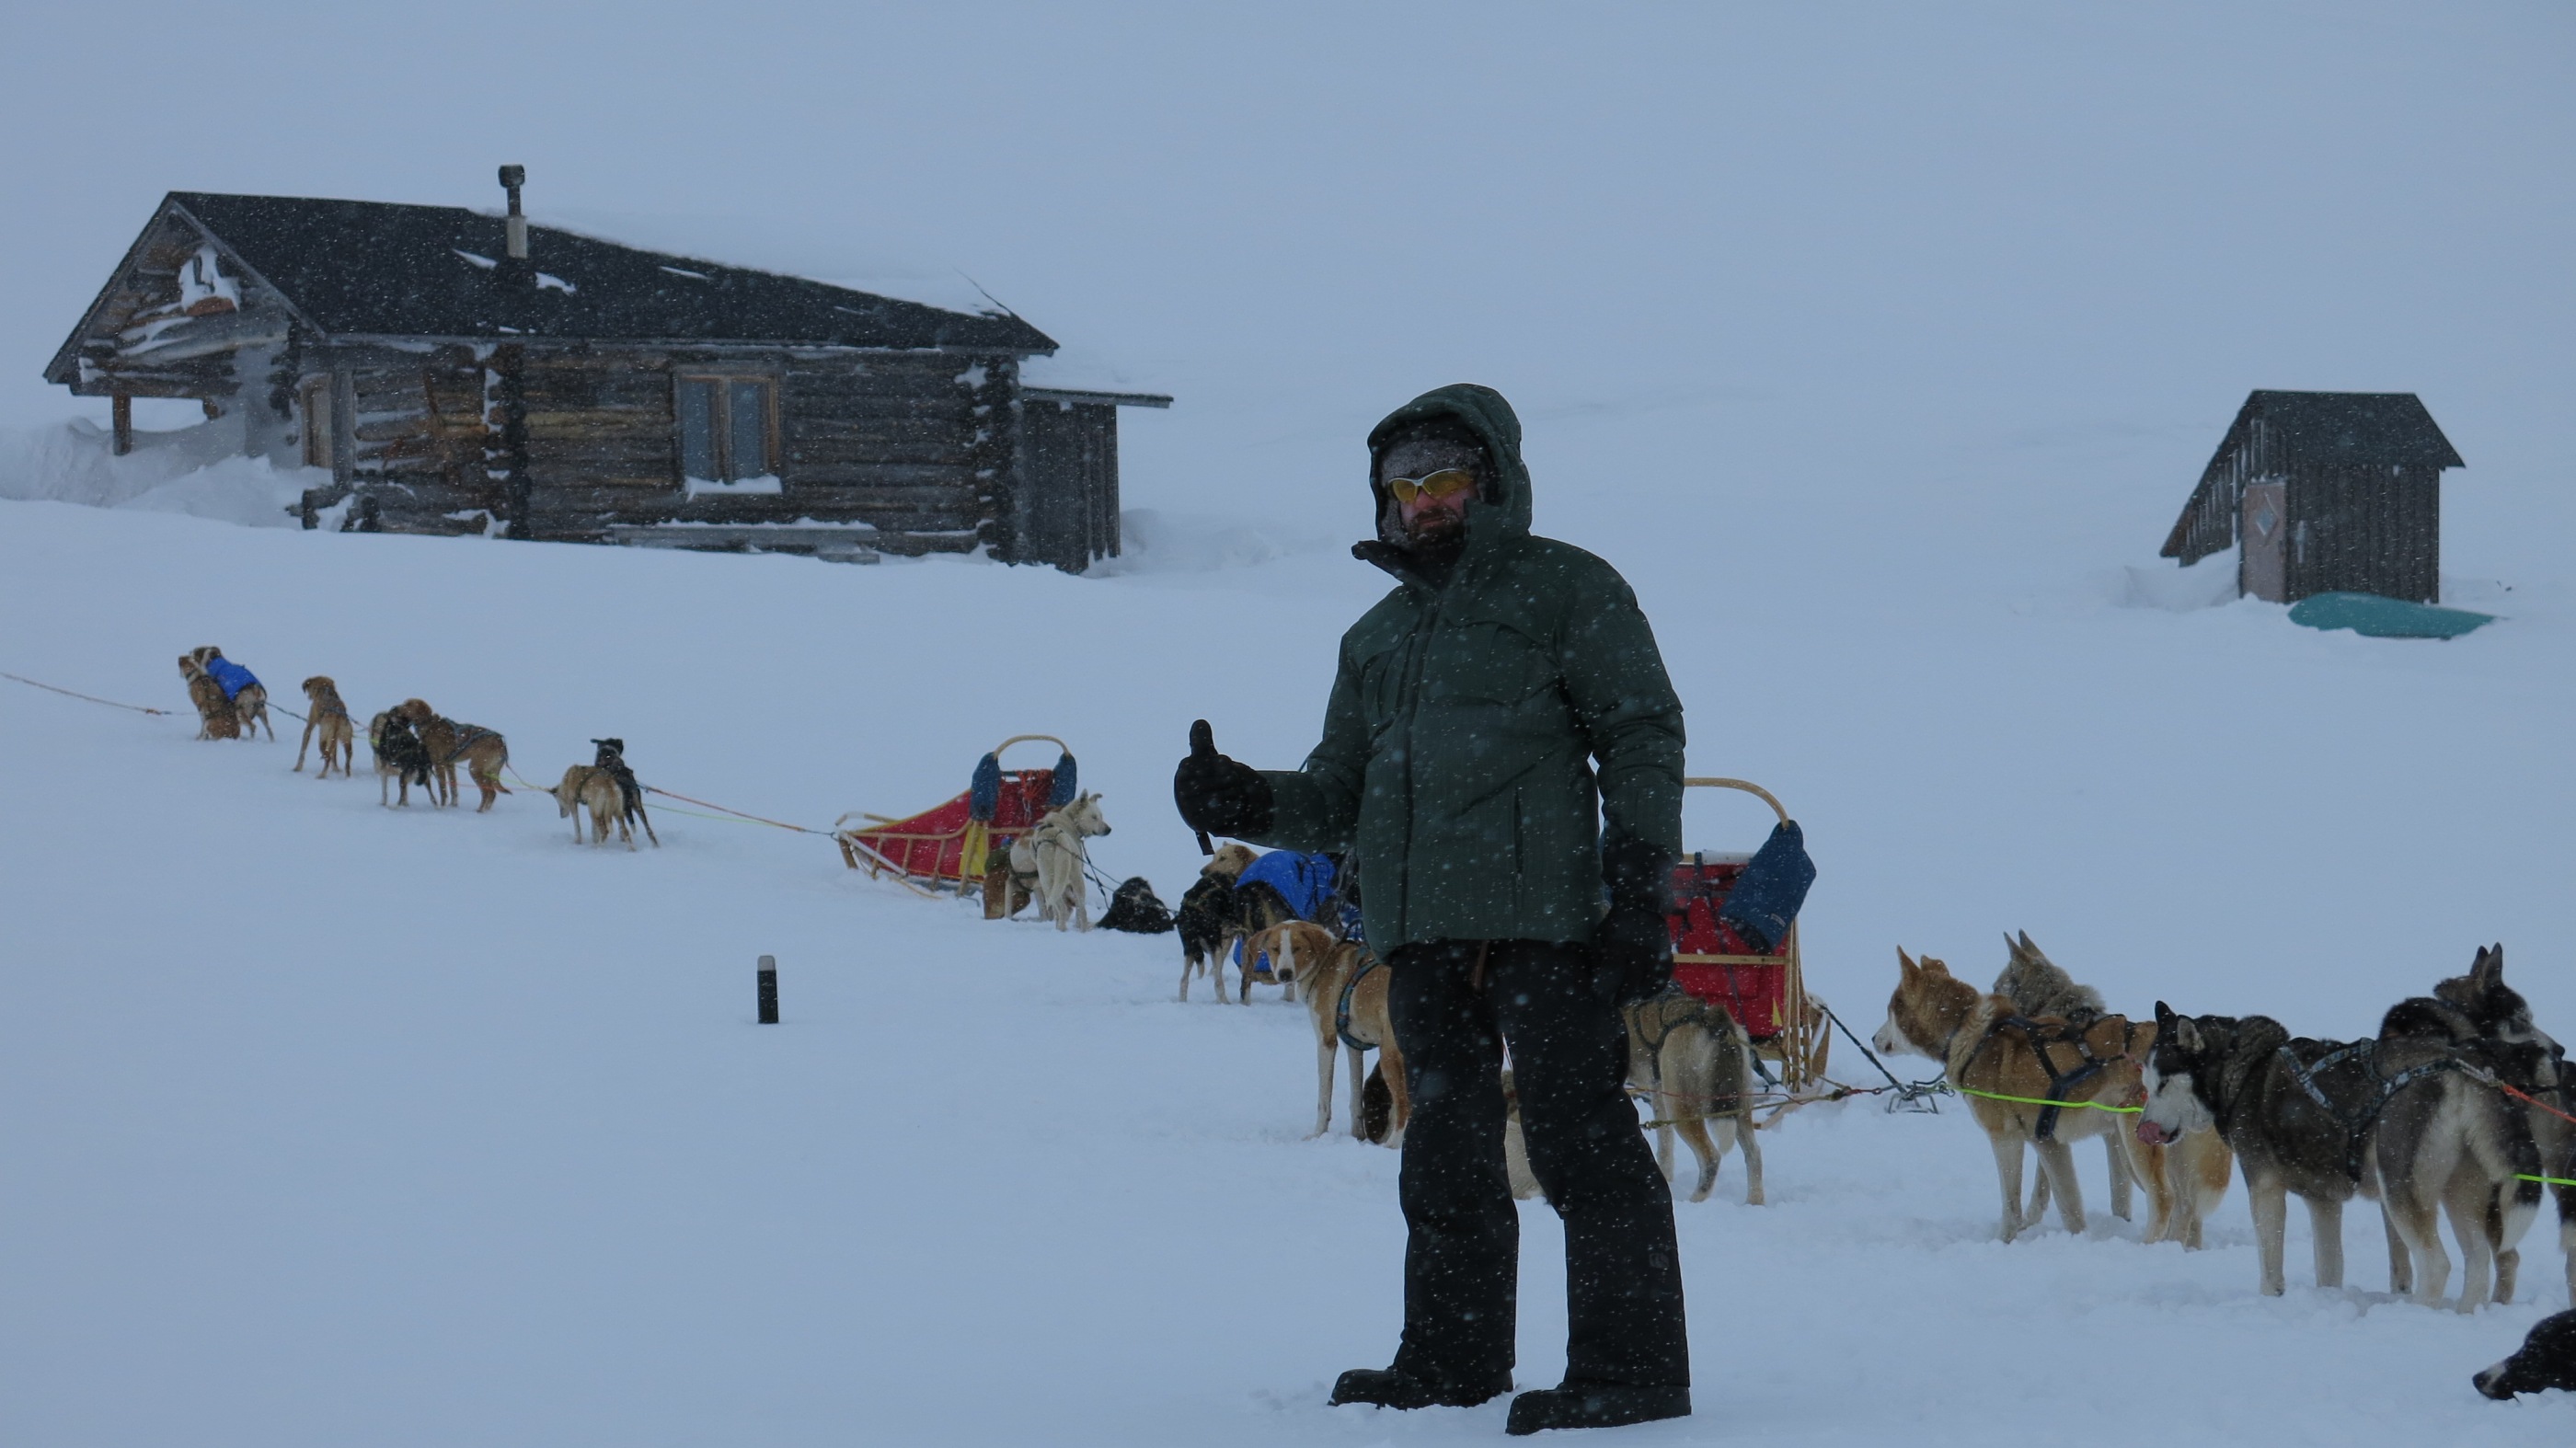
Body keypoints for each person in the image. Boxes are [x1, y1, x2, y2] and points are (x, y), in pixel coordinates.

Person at [1173, 384, 1690, 1434]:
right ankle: (1451, 1360)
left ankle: (1632, 1369)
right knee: (1442, 1144)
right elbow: (1335, 790)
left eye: (1443, 476)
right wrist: (1247, 798)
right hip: (1421, 935)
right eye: (1403, 484)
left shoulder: (1568, 589)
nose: (1423, 499)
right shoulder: (1374, 639)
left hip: (1550, 922)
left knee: (1577, 1136)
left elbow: (1641, 731)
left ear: (1488, 479)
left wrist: (1638, 887)